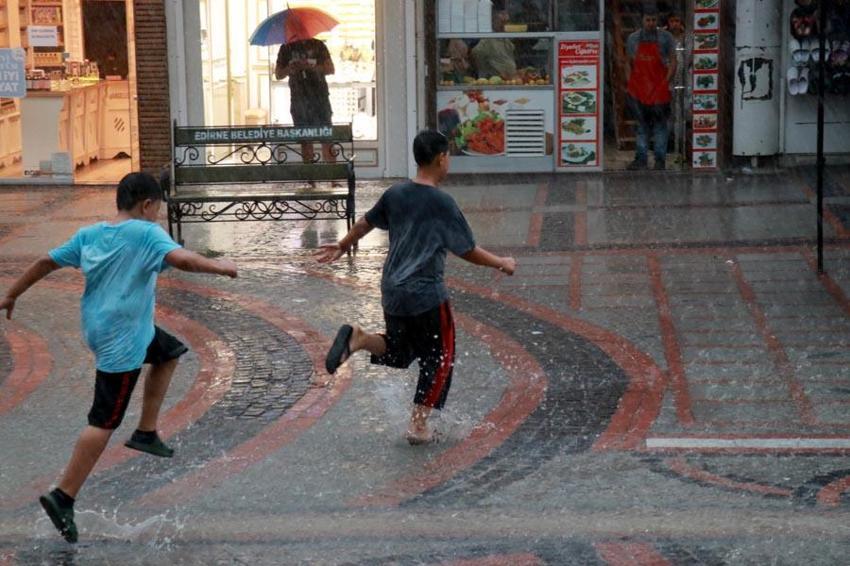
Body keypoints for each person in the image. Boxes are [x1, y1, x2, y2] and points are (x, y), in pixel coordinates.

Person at [0, 172, 238, 543]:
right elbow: (183, 260)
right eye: (157, 209)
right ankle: (64, 495)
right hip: (121, 340)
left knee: (168, 351)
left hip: (104, 327)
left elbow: (45, 262)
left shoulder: (90, 234)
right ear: (147, 204)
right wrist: (219, 267)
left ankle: (146, 431)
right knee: (104, 420)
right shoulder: (145, 232)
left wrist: (11, 294)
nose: (157, 216)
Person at [316, 130, 516, 445]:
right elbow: (466, 250)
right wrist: (500, 262)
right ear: (440, 159)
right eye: (449, 155)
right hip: (426, 296)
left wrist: (342, 245)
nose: (449, 161)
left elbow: (365, 223)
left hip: (392, 291)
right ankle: (419, 426)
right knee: (439, 358)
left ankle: (360, 339)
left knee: (400, 350)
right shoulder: (442, 202)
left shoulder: (395, 193)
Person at [625, 4, 677, 170]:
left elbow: (673, 62)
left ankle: (660, 160)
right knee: (641, 126)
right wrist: (630, 83)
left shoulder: (666, 38)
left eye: (653, 20)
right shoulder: (633, 39)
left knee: (661, 126)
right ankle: (641, 159)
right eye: (647, 20)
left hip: (659, 89)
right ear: (642, 20)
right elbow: (628, 63)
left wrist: (665, 82)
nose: (650, 23)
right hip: (639, 89)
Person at [274, 38, 336, 163]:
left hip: (319, 97)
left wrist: (311, 66)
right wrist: (290, 68)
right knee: (305, 139)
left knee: (326, 137)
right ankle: (310, 178)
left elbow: (330, 69)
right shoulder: (286, 48)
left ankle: (333, 178)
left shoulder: (318, 45)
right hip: (299, 99)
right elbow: (278, 74)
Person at [471, 11, 518, 80]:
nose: (505, 25)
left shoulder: (506, 39)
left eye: (507, 22)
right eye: (502, 22)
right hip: (496, 80)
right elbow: (475, 54)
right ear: (493, 22)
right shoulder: (488, 39)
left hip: (511, 80)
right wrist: (489, 71)